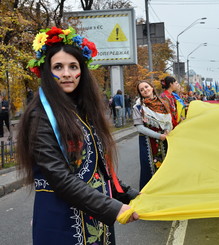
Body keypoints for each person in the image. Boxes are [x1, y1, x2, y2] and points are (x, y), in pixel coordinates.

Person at [16, 26, 138, 244]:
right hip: (62, 222)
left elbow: (99, 167)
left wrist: (129, 195)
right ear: (46, 71)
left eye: (73, 66)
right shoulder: (40, 115)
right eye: (58, 67)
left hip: (95, 217)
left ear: (82, 70)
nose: (66, 74)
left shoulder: (83, 110)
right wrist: (113, 208)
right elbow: (59, 178)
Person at [133, 80, 172, 189]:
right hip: (148, 141)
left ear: (152, 87)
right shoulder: (138, 107)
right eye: (142, 90)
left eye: (146, 87)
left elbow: (168, 121)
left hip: (165, 139)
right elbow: (139, 128)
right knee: (150, 168)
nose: (145, 90)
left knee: (166, 166)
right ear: (140, 93)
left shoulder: (163, 103)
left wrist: (167, 131)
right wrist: (159, 136)